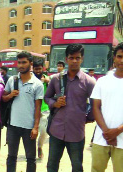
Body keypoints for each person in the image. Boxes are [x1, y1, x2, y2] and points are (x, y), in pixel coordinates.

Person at [45, 44, 96, 172]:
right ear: (66, 59)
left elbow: (95, 104)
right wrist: (55, 104)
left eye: (77, 58)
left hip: (76, 132)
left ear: (82, 59)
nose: (74, 61)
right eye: (71, 57)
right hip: (56, 130)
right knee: (51, 165)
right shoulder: (56, 79)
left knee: (77, 166)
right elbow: (47, 97)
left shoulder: (89, 82)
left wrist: (87, 118)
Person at [2, 51, 43, 172]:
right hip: (13, 126)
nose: (20, 65)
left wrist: (35, 127)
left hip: (29, 128)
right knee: (11, 157)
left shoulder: (37, 84)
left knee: (30, 158)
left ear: (30, 63)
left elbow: (38, 108)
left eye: (24, 62)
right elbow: (3, 98)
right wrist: (10, 95)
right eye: (19, 62)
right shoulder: (12, 80)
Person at [91, 42, 123, 172]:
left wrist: (117, 131)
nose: (122, 60)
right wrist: (107, 133)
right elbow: (96, 107)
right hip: (101, 138)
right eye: (119, 56)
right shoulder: (102, 81)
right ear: (114, 58)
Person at [32, 59, 50, 159]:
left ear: (43, 68)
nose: (38, 71)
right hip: (32, 110)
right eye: (36, 69)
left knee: (44, 131)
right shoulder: (30, 79)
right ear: (33, 69)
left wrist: (48, 82)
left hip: (45, 109)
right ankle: (32, 150)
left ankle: (40, 147)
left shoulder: (48, 79)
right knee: (32, 132)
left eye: (39, 69)